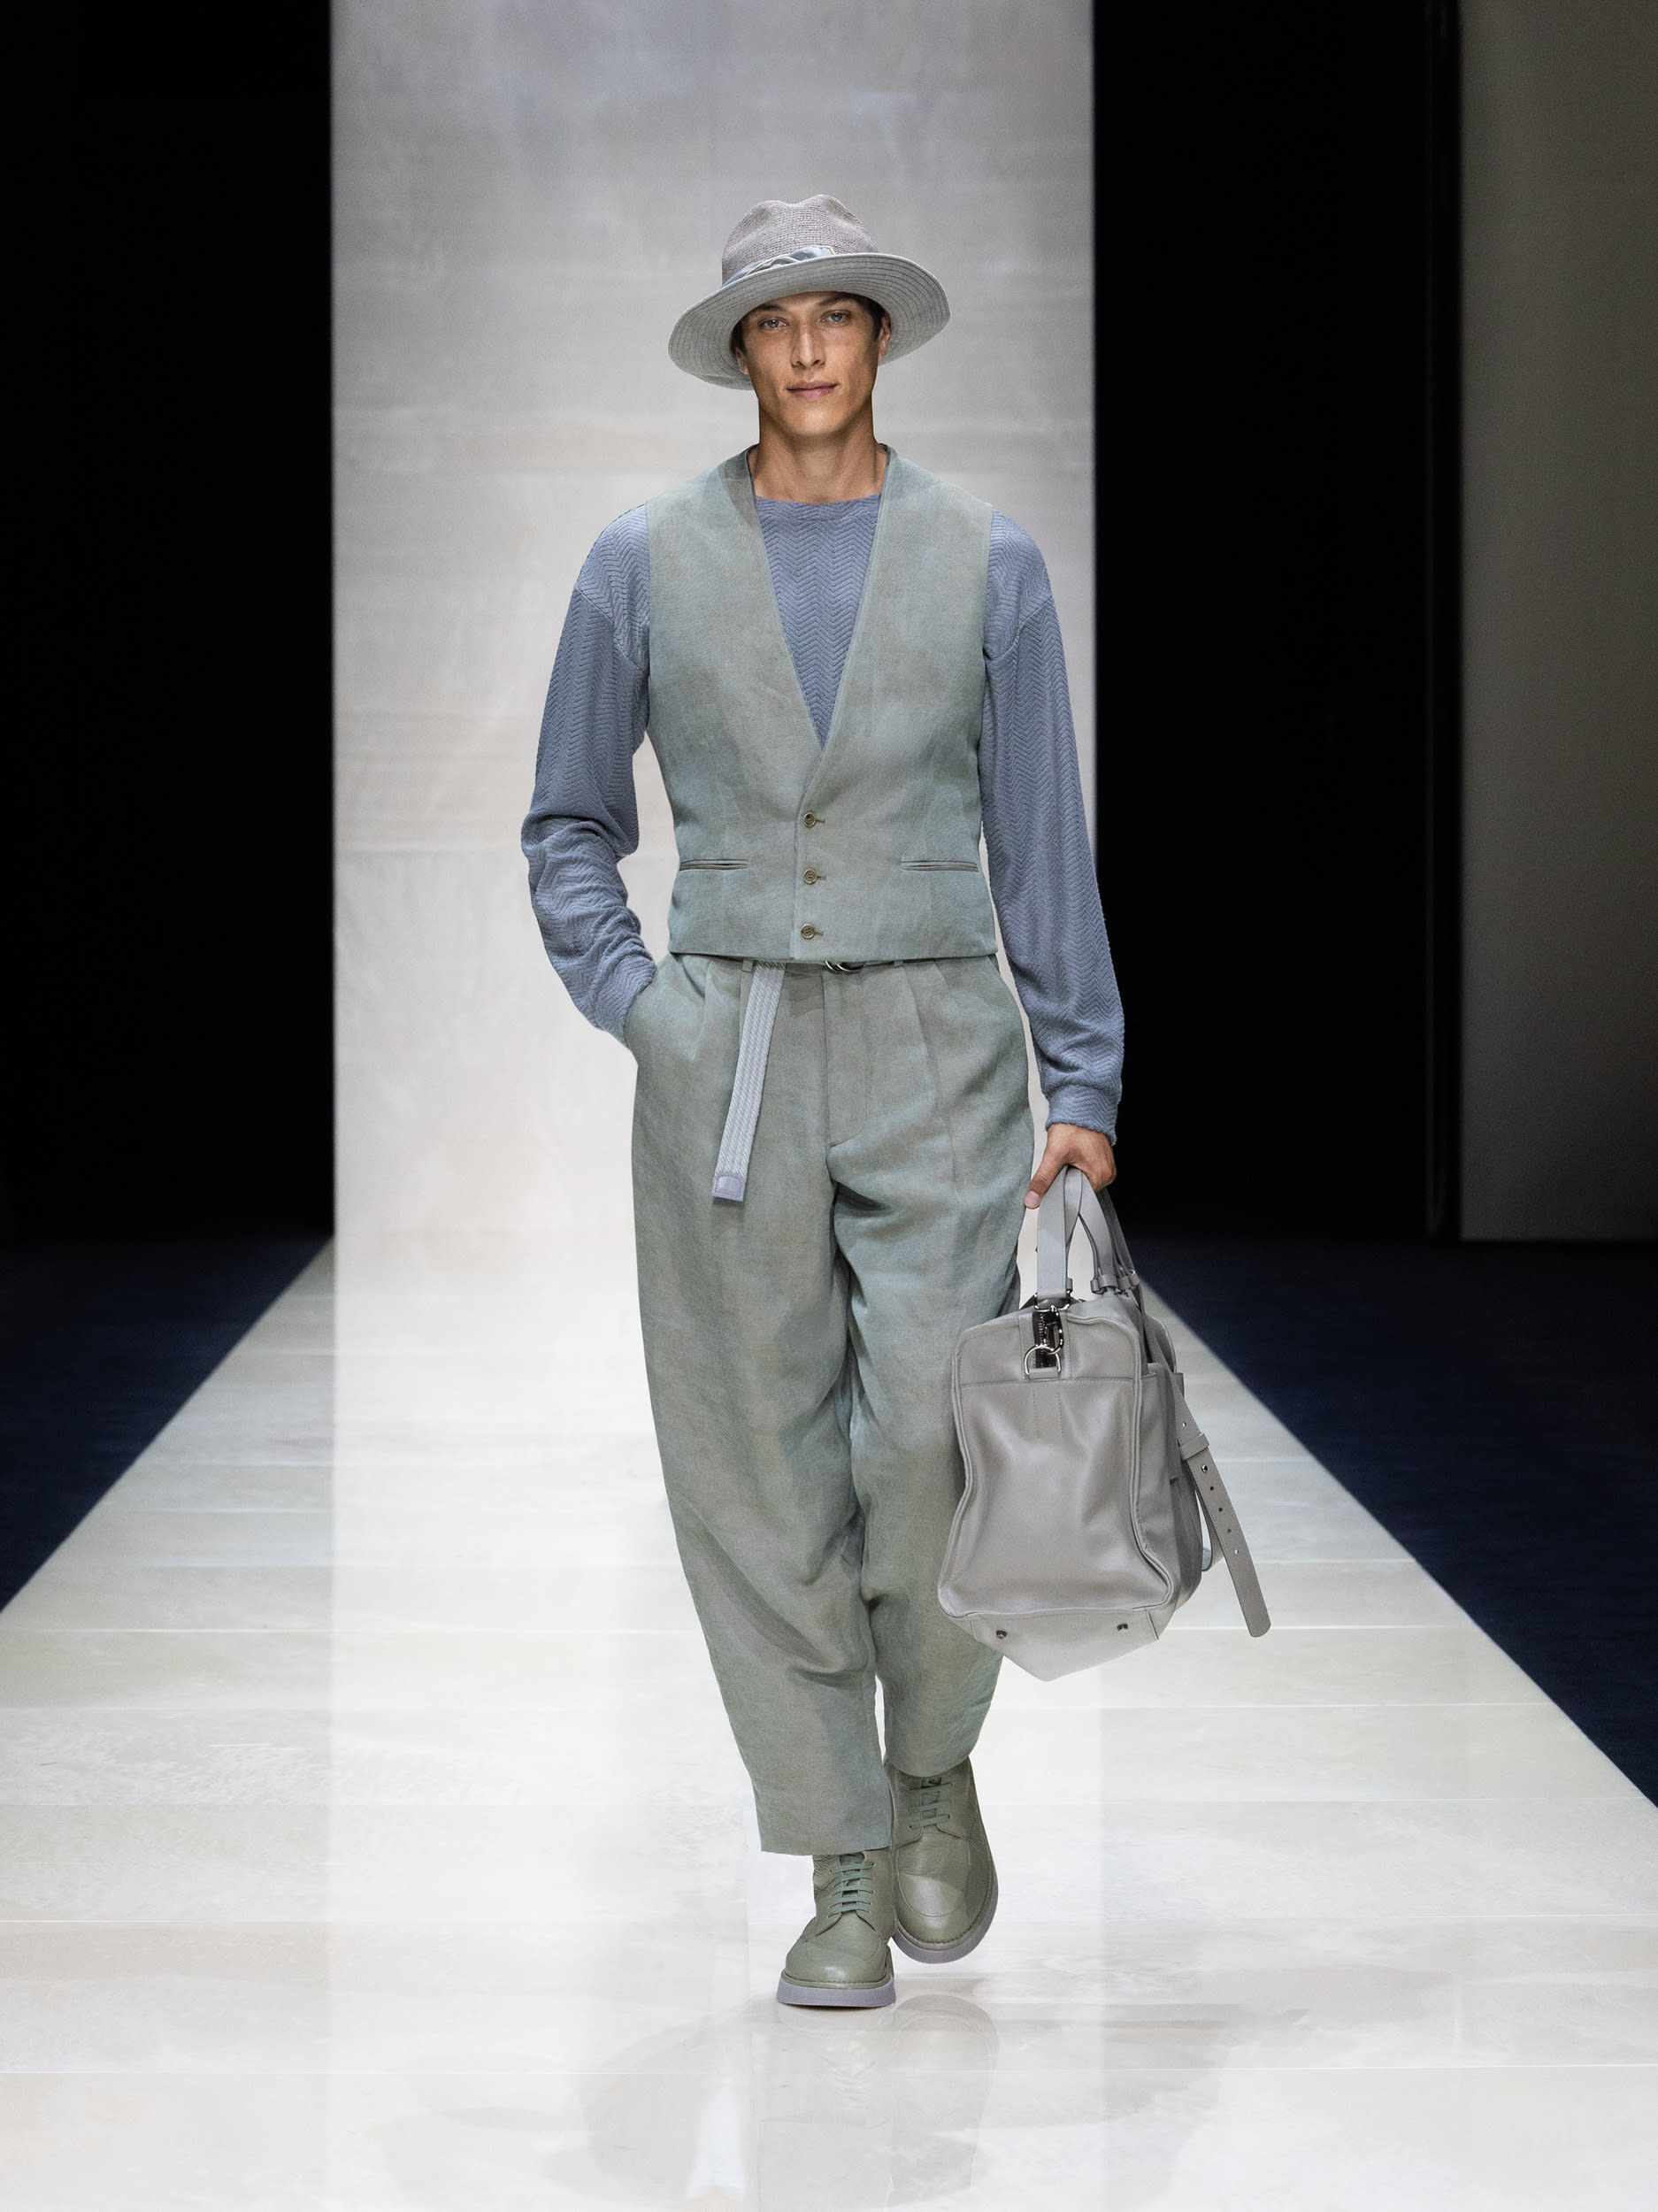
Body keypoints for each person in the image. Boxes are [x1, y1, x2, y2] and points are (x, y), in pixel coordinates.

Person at [523, 196, 1123, 2008]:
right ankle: (842, 1857)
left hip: (942, 1044)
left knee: (937, 1435)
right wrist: (646, 1008)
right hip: (729, 1062)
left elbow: (1040, 838)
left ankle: (930, 1758)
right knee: (753, 1472)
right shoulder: (640, 560)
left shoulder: (985, 561)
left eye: (837, 315)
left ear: (876, 340)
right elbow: (568, 822)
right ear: (740, 349)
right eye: (776, 321)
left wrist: (1082, 1070)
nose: (805, 347)